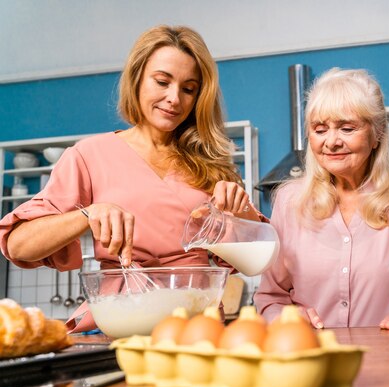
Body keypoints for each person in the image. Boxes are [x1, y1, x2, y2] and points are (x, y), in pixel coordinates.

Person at [0, 25, 261, 332]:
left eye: (188, 89)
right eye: (162, 81)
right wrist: (87, 214)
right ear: (137, 78)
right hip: (121, 321)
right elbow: (18, 246)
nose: (174, 98)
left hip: (196, 328)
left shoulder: (213, 165)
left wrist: (241, 212)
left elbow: (254, 261)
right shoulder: (89, 155)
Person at [254, 68, 389, 329]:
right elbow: (271, 297)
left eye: (347, 128)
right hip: (312, 358)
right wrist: (285, 318)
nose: (331, 142)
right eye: (320, 129)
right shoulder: (288, 201)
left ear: (377, 135)